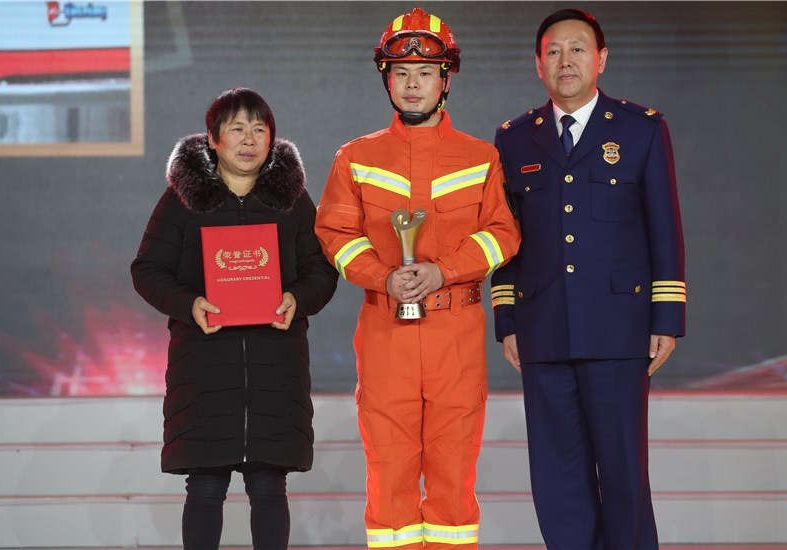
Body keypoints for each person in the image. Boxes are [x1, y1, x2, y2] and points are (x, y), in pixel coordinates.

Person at [314, 8, 521, 549]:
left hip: (456, 332)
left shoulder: (481, 158)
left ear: (445, 79)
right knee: (388, 472)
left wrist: (442, 271)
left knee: (454, 472)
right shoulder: (355, 158)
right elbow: (335, 233)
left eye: (425, 72)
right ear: (386, 78)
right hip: (386, 331)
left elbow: (503, 234)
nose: (412, 83)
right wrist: (383, 277)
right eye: (401, 72)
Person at [490, 8, 686, 549]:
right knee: (557, 479)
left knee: (623, 473)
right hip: (543, 328)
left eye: (577, 49)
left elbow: (664, 228)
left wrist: (666, 317)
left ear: (601, 59)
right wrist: (507, 317)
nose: (565, 61)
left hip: (619, 329)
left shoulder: (641, 129)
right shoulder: (513, 139)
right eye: (553, 51)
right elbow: (505, 237)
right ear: (538, 65)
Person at [131, 87, 338, 549]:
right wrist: (190, 304)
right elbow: (147, 270)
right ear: (213, 140)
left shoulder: (293, 200)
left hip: (276, 369)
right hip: (203, 368)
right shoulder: (182, 201)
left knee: (269, 485)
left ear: (271, 140)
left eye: (259, 130)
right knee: (205, 486)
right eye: (237, 129)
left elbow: (322, 271)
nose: (248, 139)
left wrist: (296, 299)